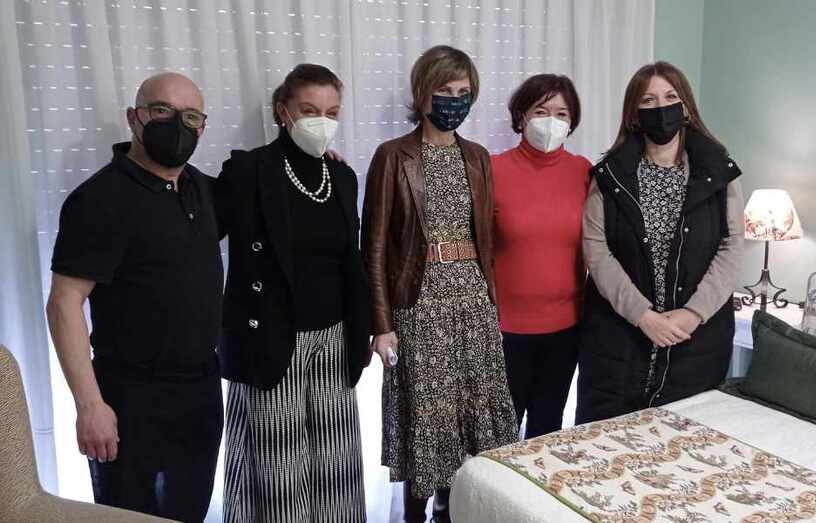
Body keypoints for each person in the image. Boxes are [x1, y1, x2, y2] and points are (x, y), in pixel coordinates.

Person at [46, 72, 223, 522]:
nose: (177, 125)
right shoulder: (98, 200)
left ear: (202, 128)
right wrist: (90, 405)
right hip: (129, 398)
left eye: (190, 117)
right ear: (134, 117)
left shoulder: (202, 190)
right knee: (127, 516)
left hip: (201, 393)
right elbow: (64, 303)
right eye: (162, 111)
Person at [361, 45, 517, 523]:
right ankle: (415, 514)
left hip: (472, 300)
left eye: (464, 92)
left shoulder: (478, 157)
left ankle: (452, 510)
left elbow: (484, 238)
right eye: (444, 90)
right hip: (420, 303)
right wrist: (381, 325)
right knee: (427, 417)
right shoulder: (393, 156)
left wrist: (491, 303)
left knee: (473, 415)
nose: (454, 100)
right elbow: (374, 246)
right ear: (422, 92)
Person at [216, 63, 370, 523]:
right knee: (279, 470)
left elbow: (351, 261)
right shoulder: (248, 171)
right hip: (271, 338)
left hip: (335, 338)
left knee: (336, 463)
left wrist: (362, 332)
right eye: (309, 110)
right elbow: (201, 232)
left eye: (331, 112)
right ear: (283, 111)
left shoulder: (341, 177)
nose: (321, 120)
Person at [576, 61, 745, 424]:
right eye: (648, 100)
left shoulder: (719, 171)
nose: (661, 108)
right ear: (634, 113)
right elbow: (597, 250)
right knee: (603, 443)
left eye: (670, 97)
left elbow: (731, 247)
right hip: (619, 340)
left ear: (686, 106)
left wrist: (693, 313)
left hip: (696, 341)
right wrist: (643, 316)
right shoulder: (609, 175)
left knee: (683, 445)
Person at [491, 73, 590, 439]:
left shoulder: (584, 172)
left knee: (547, 429)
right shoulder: (492, 168)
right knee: (500, 434)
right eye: (541, 111)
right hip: (504, 330)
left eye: (562, 114)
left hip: (566, 329)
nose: (551, 121)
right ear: (522, 117)